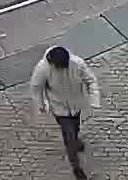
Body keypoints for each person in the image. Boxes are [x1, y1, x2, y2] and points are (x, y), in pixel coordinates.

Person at [29, 46, 100, 180]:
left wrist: (94, 99)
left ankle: (76, 140)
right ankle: (76, 167)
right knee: (69, 137)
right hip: (60, 109)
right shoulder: (42, 69)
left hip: (76, 105)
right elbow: (36, 88)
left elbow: (90, 80)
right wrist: (41, 104)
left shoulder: (77, 63)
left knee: (76, 127)